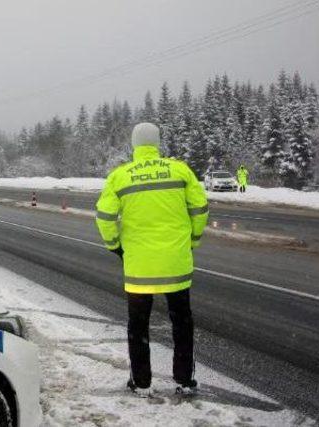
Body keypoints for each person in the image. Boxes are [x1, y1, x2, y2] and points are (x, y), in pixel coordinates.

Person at [95, 123, 208, 397]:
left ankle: (141, 382)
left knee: (138, 326)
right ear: (157, 143)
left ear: (134, 145)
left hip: (139, 269)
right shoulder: (179, 170)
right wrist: (191, 242)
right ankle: (183, 380)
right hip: (176, 264)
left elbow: (105, 217)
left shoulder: (120, 176)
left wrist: (116, 247)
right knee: (182, 322)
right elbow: (200, 208)